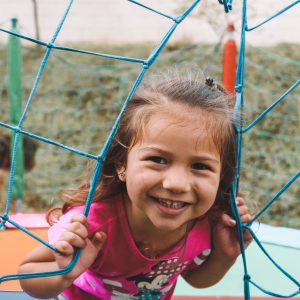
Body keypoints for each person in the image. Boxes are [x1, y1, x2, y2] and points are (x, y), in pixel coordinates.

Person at [18, 70, 252, 300]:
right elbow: (28, 275)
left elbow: (195, 279)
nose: (176, 184)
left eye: (200, 166)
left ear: (221, 177)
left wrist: (224, 255)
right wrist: (63, 273)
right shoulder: (91, 224)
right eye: (158, 160)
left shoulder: (207, 222)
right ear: (122, 165)